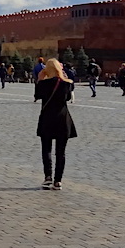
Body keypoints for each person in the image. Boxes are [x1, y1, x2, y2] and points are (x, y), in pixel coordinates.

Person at [34, 59, 76, 189]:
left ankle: (48, 177)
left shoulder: (44, 84)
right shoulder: (66, 84)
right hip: (63, 119)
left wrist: (40, 79)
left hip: (47, 118)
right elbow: (68, 98)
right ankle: (58, 181)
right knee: (60, 152)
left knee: (46, 149)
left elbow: (37, 96)